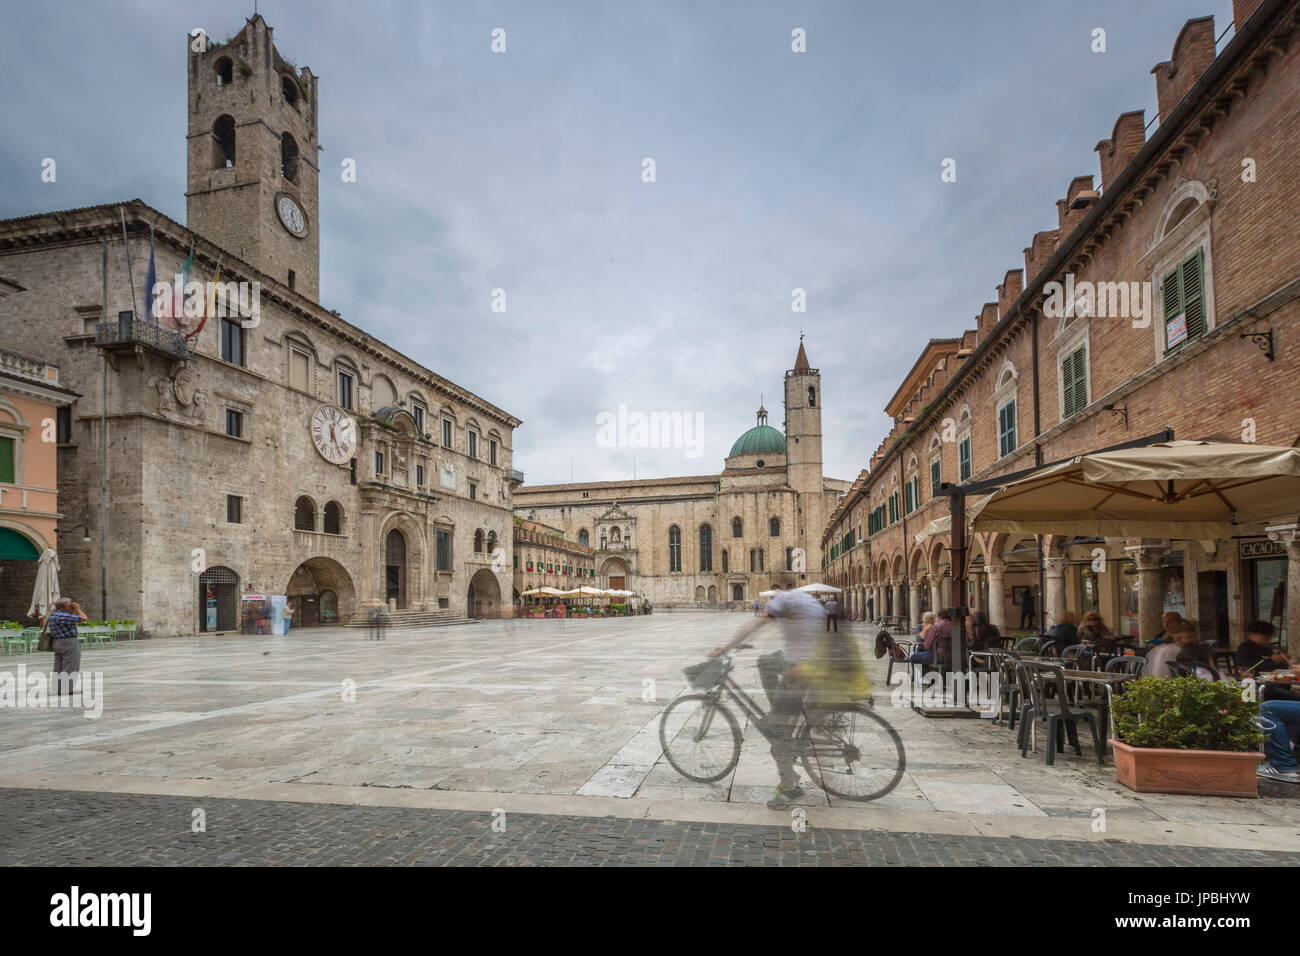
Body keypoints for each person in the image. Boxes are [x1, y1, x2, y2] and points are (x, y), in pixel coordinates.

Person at [709, 582, 826, 809]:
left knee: (776, 732)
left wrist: (724, 648)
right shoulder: (807, 600)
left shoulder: (783, 601)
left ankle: (789, 786)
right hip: (814, 661)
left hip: (803, 669)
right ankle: (778, 709)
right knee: (765, 662)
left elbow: (754, 625)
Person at [46, 597, 87, 698]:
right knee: (71, 666)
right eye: (70, 605)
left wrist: (71, 610)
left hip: (57, 642)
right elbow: (84, 618)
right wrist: (77, 609)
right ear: (65, 607)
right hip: (69, 642)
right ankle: (66, 689)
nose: (71, 606)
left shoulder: (53, 614)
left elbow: (70, 619)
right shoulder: (64, 616)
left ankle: (57, 688)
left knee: (58, 667)